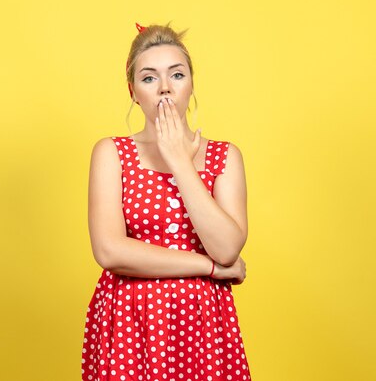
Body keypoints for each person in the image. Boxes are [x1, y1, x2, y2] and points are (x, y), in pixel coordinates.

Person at [81, 22, 252, 381]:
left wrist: (179, 162)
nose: (164, 88)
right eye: (148, 78)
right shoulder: (112, 153)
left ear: (191, 84)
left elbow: (226, 248)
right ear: (133, 92)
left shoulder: (226, 156)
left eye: (176, 74)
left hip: (204, 328)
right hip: (130, 324)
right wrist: (209, 269)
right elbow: (110, 251)